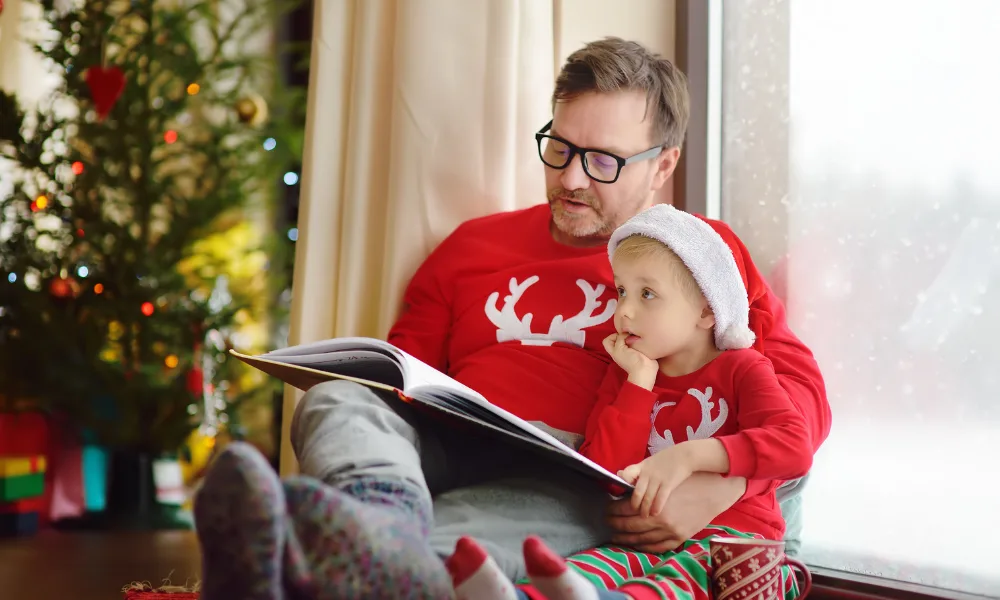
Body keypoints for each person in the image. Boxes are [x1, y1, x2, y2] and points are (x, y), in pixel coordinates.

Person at [192, 37, 831, 600]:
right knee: (339, 401)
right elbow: (398, 373)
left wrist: (719, 480)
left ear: (663, 165)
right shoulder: (472, 246)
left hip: (566, 468)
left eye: (603, 161)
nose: (572, 179)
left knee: (469, 535)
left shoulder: (695, 257)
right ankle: (377, 527)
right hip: (449, 436)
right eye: (560, 148)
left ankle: (304, 566)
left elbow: (800, 399)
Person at [445, 204, 814, 600]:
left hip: (732, 547)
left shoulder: (744, 368)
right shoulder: (627, 372)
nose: (624, 310)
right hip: (644, 542)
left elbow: (794, 446)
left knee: (674, 582)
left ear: (707, 310)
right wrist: (638, 384)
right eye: (622, 290)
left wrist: (689, 457)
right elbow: (606, 470)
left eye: (648, 294)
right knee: (585, 568)